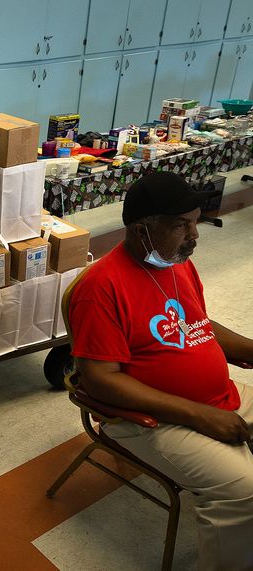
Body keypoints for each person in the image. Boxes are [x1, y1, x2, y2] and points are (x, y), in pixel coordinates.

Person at [68, 171, 253, 570]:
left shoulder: (175, 262)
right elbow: (100, 380)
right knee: (244, 491)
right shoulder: (100, 288)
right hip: (151, 420)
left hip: (217, 398)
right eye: (181, 226)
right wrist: (199, 415)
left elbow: (197, 323)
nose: (195, 235)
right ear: (141, 230)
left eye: (196, 222)